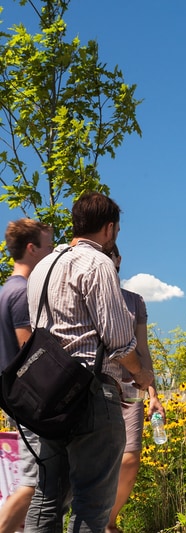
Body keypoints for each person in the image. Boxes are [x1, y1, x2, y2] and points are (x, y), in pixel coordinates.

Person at [24, 192, 153, 532]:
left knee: (47, 497)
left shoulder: (43, 266)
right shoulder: (98, 264)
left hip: (48, 394)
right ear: (109, 229)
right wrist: (141, 373)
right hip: (91, 394)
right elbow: (118, 341)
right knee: (92, 503)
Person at [105, 245, 165, 533]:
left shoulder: (135, 301)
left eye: (111, 255)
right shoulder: (92, 298)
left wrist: (153, 394)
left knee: (131, 457)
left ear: (118, 260)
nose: (108, 260)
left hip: (131, 389)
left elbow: (142, 350)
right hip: (96, 389)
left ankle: (109, 519)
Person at [0, 219, 53, 533]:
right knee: (33, 483)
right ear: (32, 249)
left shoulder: (7, 288)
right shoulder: (22, 293)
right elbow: (28, 350)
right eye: (47, 247)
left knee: (35, 481)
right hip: (31, 401)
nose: (50, 253)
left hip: (17, 400)